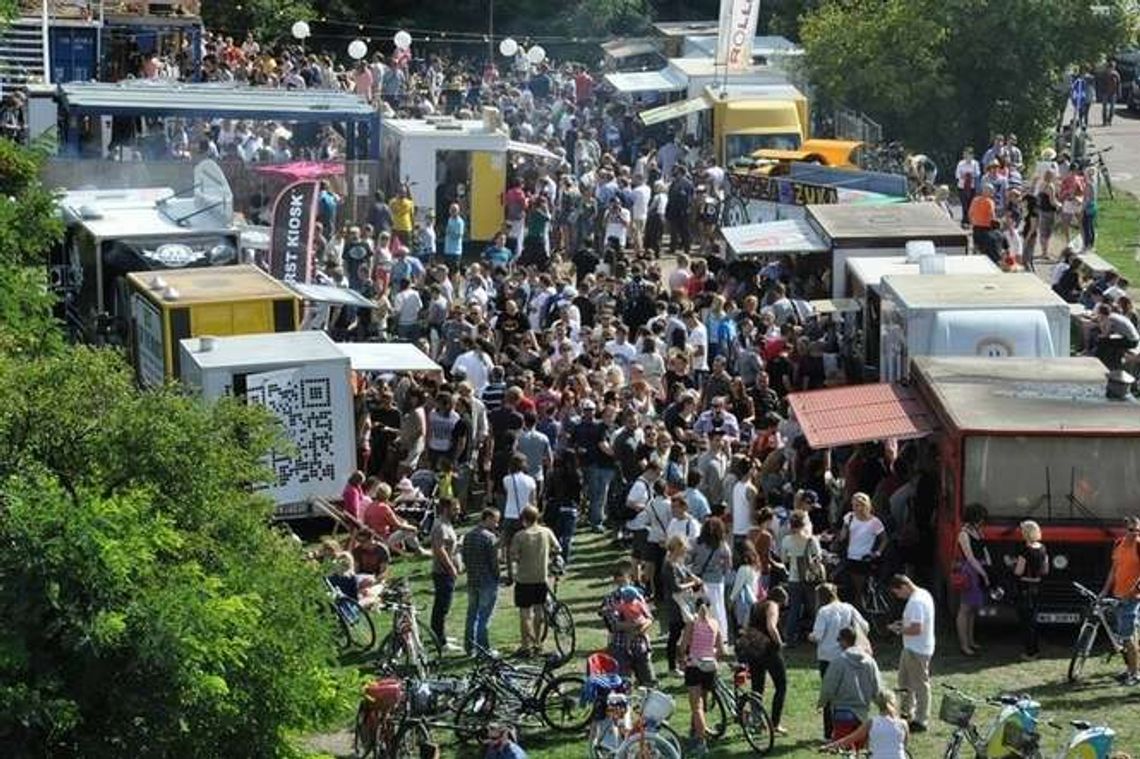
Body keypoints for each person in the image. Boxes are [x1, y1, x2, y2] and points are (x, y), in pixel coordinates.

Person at [810, 582, 870, 737]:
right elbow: (865, 626)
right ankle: (849, 730)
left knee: (829, 695)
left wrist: (809, 636)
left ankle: (829, 732)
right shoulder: (848, 608)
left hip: (827, 657)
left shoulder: (823, 611)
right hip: (846, 656)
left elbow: (818, 635)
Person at [736, 586, 789, 737]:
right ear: (781, 600)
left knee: (757, 688)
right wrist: (779, 643)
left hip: (753, 649)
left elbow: (747, 626)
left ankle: (757, 720)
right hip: (768, 649)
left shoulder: (757, 605)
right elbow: (771, 627)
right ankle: (775, 723)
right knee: (781, 685)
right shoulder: (772, 606)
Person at [509, 505, 560, 657]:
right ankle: (538, 642)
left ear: (524, 519)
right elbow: (557, 548)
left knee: (525, 613)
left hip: (524, 579)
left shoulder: (520, 536)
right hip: (541, 578)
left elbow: (513, 556)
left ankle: (526, 645)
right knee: (539, 611)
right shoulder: (546, 532)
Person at [678, 596, 726, 755]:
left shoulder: (692, 623)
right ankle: (696, 730)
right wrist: (715, 659)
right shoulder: (715, 623)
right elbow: (721, 650)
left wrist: (681, 660)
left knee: (696, 706)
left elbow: (683, 645)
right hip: (710, 667)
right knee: (702, 702)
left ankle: (701, 741)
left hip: (694, 666)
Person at [888, 574, 936, 732]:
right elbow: (917, 623)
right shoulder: (923, 594)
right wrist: (902, 624)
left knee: (920, 684)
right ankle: (906, 712)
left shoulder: (916, 602)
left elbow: (917, 628)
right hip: (911, 647)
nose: (898, 596)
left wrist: (899, 629)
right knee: (904, 681)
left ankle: (921, 720)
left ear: (904, 586)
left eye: (897, 593)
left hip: (918, 649)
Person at [818, 626, 883, 741]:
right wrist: (883, 708)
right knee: (859, 747)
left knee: (843, 747)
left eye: (839, 640)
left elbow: (829, 686)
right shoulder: (870, 661)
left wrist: (821, 702)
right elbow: (877, 688)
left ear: (843, 641)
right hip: (863, 715)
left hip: (842, 714)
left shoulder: (838, 662)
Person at [599, 559, 657, 686]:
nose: (620, 580)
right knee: (623, 686)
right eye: (617, 577)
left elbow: (650, 619)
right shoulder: (610, 599)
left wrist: (639, 629)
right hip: (619, 647)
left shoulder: (639, 597)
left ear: (630, 578)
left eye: (623, 577)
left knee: (650, 684)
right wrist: (638, 624)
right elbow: (615, 625)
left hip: (640, 646)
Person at [1100, 515, 1140, 686]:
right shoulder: (1118, 544)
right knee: (1125, 636)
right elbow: (1113, 570)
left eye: (1138, 530)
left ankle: (1135, 674)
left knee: (1128, 636)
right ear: (1125, 529)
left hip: (1133, 598)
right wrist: (1104, 591)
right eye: (1132, 530)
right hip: (1118, 595)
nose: (1135, 533)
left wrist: (1133, 591)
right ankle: (1130, 668)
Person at [822, 690, 909, 759]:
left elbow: (849, 739)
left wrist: (828, 746)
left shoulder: (872, 723)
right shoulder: (903, 724)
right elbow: (903, 747)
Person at [462, 507, 501, 655]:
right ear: (488, 518)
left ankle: (469, 646)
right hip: (487, 581)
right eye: (495, 521)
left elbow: (465, 557)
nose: (496, 525)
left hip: (472, 580)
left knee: (472, 614)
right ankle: (483, 648)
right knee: (484, 616)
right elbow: (494, 562)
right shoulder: (489, 538)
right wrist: (498, 577)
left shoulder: (468, 536)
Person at [838, 492, 886, 609]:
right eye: (854, 505)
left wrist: (877, 553)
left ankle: (860, 611)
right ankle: (858, 610)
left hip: (865, 558)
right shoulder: (849, 517)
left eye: (859, 505)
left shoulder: (875, 522)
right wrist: (843, 531)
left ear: (866, 506)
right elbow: (842, 536)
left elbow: (884, 539)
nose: (856, 508)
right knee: (850, 588)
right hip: (849, 556)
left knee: (859, 590)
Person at [782, 510, 824, 646]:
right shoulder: (812, 540)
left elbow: (784, 559)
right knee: (814, 608)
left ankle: (790, 637)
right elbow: (819, 558)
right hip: (810, 579)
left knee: (794, 608)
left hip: (793, 577)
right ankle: (817, 635)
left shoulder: (787, 540)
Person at [955, 503, 992, 656]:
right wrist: (983, 572)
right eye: (980, 518)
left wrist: (988, 566)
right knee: (965, 608)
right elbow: (969, 557)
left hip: (979, 568)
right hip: (970, 571)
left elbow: (984, 549)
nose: (982, 521)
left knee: (973, 609)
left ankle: (971, 640)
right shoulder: (963, 533)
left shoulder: (978, 531)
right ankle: (964, 644)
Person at [663, 534, 702, 676]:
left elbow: (686, 571)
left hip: (683, 602)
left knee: (685, 631)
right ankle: (672, 667)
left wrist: (694, 577)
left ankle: (683, 661)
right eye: (683, 548)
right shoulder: (668, 565)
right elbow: (676, 587)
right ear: (677, 548)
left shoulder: (678, 562)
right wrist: (693, 583)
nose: (685, 551)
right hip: (675, 604)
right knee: (674, 634)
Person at [1011, 519, 1048, 661]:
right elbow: (1045, 569)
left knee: (1026, 622)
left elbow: (1018, 572)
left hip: (1024, 588)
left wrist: (1013, 564)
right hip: (1037, 588)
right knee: (1033, 620)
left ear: (1025, 533)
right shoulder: (1043, 548)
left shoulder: (1025, 550)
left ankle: (1029, 652)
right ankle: (1036, 650)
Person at [689, 517, 732, 637]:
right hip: (716, 580)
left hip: (698, 580)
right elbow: (728, 564)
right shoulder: (722, 545)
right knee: (718, 608)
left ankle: (699, 634)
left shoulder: (696, 543)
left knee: (699, 607)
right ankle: (721, 635)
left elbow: (689, 559)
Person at [429, 498, 463, 652]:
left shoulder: (447, 524)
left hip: (446, 572)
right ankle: (441, 642)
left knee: (442, 606)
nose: (458, 511)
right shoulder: (440, 526)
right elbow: (439, 549)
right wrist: (451, 568)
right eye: (455, 509)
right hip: (443, 572)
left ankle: (438, 634)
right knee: (442, 607)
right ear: (445, 509)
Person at [502, 454, 537, 583]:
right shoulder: (530, 480)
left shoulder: (506, 479)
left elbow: (507, 493)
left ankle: (511, 575)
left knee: (509, 546)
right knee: (527, 546)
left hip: (510, 515)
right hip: (526, 515)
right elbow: (533, 500)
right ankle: (526, 572)